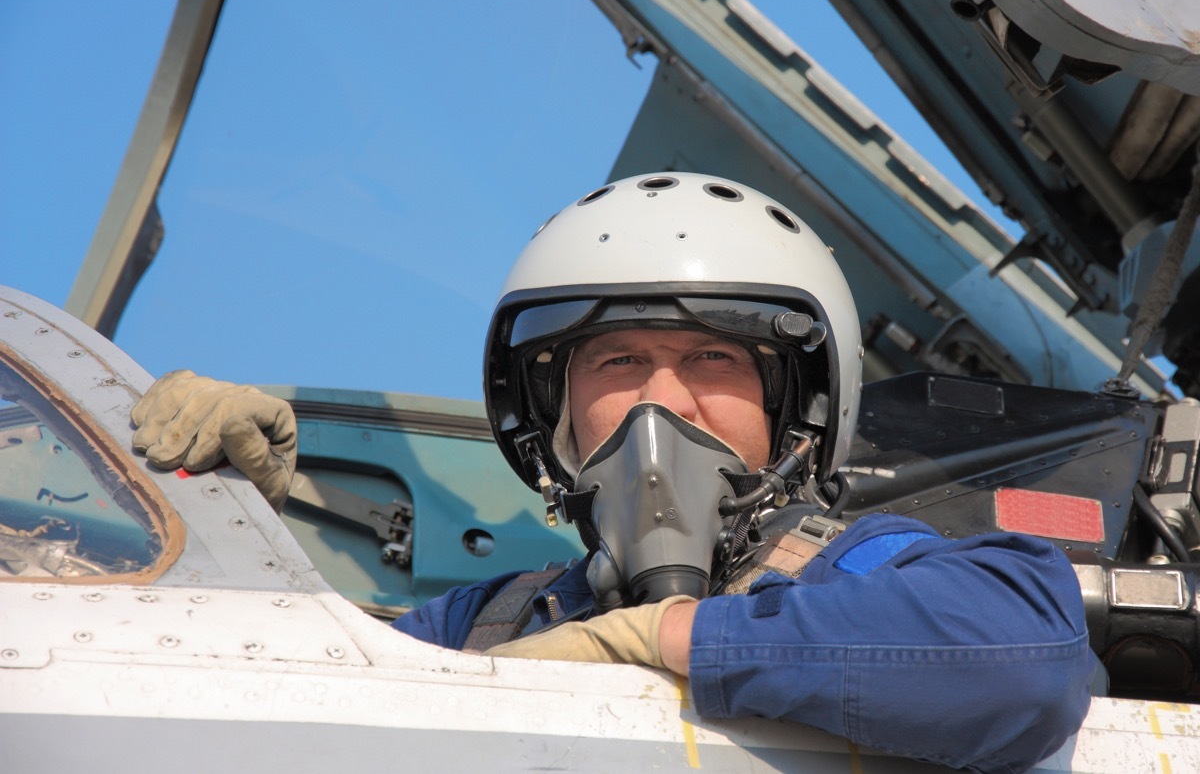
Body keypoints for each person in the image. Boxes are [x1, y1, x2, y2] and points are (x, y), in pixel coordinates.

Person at [131, 173, 1094, 772]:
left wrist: (657, 639)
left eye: (715, 360)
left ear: (799, 413)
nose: (658, 407)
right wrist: (230, 535)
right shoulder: (486, 624)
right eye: (617, 362)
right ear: (550, 412)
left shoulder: (863, 570)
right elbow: (272, 713)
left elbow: (1021, 667)